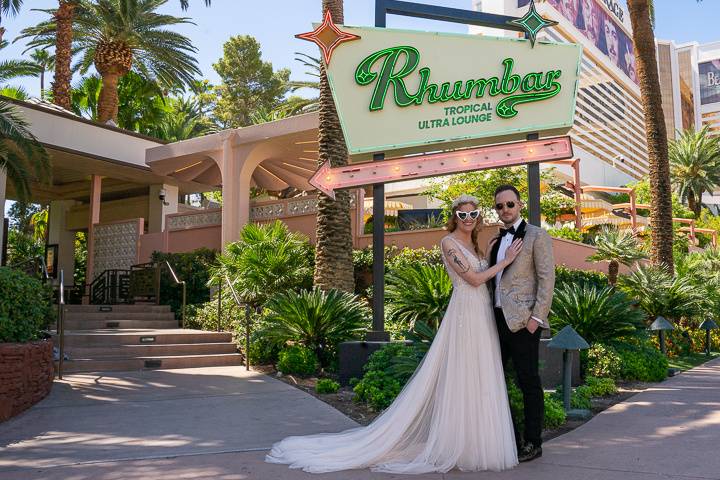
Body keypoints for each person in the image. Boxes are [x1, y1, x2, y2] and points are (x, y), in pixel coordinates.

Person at [265, 194, 522, 474]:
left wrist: (493, 253)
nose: (469, 219)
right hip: (465, 314)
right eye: (463, 215)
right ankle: (455, 443)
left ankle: (475, 442)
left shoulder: (474, 244)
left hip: (482, 313)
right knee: (462, 374)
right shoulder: (448, 243)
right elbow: (472, 279)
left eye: (473, 215)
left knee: (479, 373)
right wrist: (505, 261)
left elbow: (482, 274)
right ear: (454, 217)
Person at [489, 185, 555, 463]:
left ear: (519, 205)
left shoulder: (537, 236)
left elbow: (546, 278)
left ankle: (533, 442)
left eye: (509, 205)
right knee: (496, 382)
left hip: (524, 323)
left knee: (528, 381)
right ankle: (511, 440)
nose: (505, 210)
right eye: (500, 206)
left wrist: (536, 319)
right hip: (495, 321)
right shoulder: (495, 241)